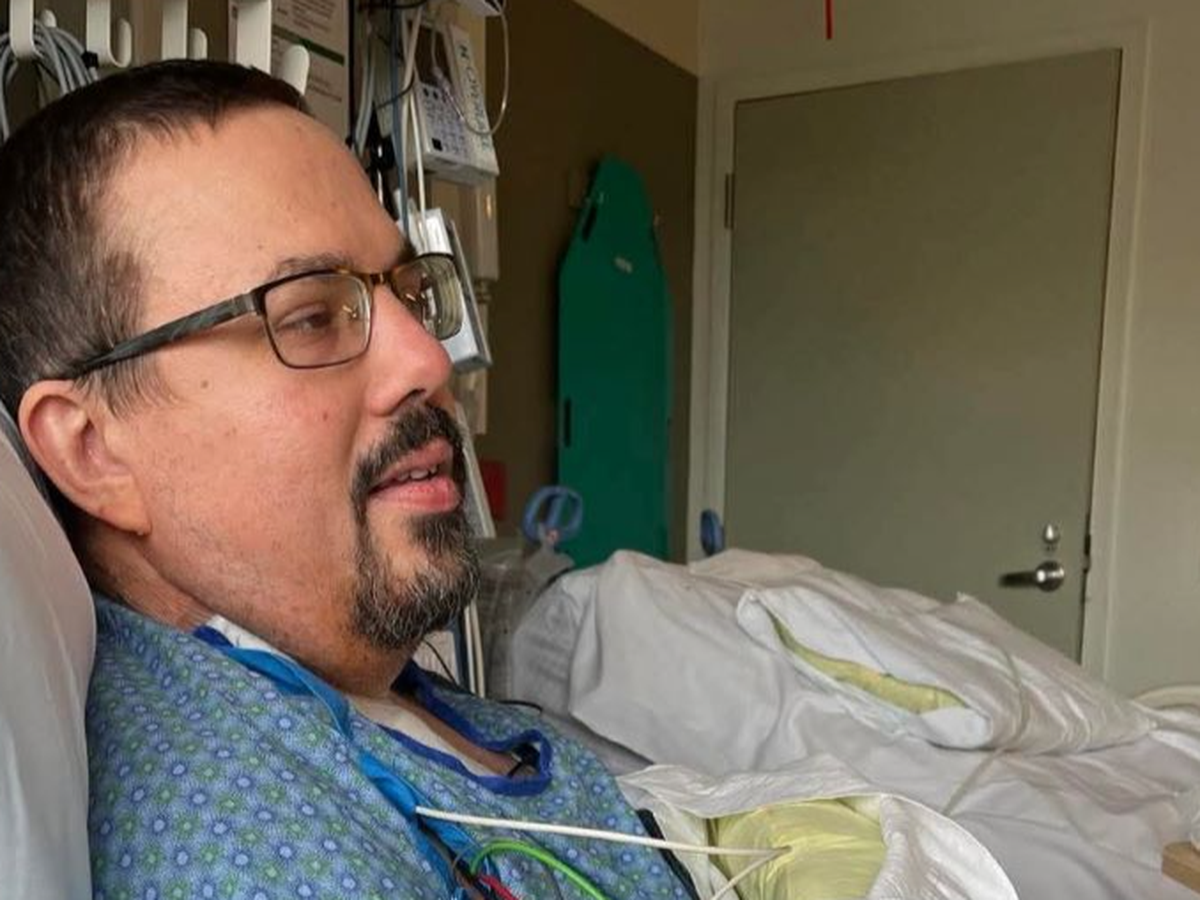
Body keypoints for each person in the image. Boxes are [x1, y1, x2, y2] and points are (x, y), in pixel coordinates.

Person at [0, 61, 692, 900]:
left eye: (408, 291)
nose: (429, 360)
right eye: (307, 317)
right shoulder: (252, 853)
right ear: (93, 452)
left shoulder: (325, 679)